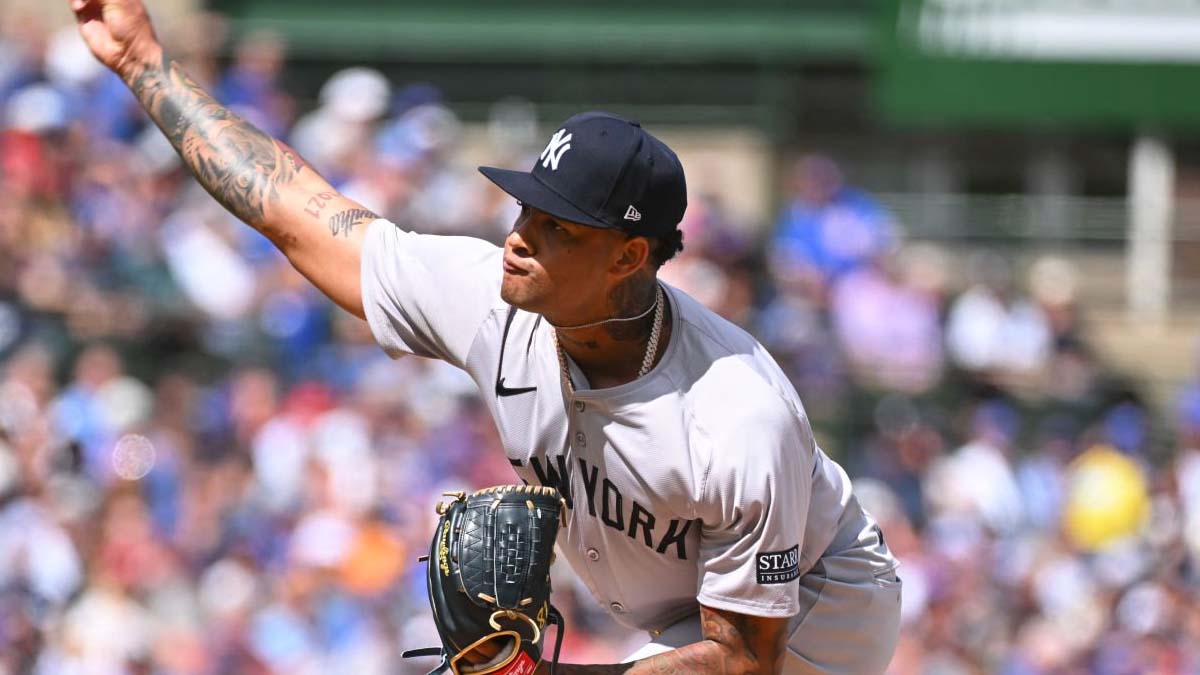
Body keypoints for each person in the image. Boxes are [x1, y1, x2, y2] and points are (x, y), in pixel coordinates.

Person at [71, 0, 901, 672]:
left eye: (557, 225)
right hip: (675, 614)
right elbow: (301, 215)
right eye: (524, 209)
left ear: (629, 255)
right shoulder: (495, 300)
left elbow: (742, 660)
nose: (518, 237)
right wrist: (144, 62)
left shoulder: (736, 413)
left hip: (817, 624)